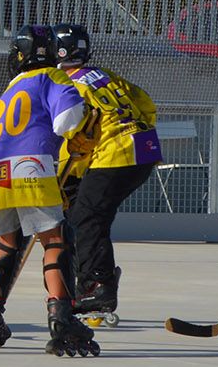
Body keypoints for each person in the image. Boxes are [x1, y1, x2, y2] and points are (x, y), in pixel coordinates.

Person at [0, 25, 100, 357]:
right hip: (31, 166)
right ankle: (61, 316)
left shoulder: (9, 89)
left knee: (7, 243)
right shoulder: (52, 77)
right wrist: (83, 121)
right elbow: (66, 119)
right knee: (56, 240)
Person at [52, 23, 162, 325]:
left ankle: (98, 285)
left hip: (117, 153)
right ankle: (94, 287)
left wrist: (65, 175)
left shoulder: (65, 83)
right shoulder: (102, 75)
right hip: (145, 147)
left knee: (85, 217)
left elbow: (75, 134)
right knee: (91, 216)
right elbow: (145, 102)